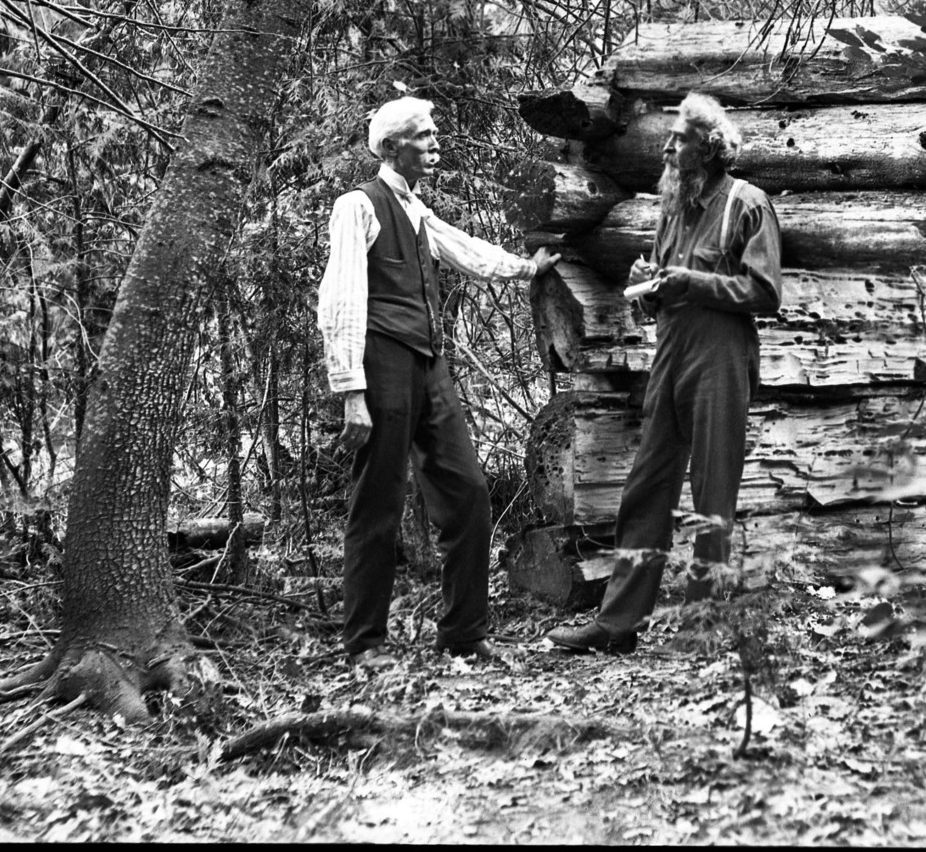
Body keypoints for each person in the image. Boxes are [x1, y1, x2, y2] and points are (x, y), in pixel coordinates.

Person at [317, 96, 557, 667]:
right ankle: (364, 643)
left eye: (433, 133)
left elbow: (465, 251)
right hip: (380, 363)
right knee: (377, 502)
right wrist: (351, 389)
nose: (434, 143)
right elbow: (341, 297)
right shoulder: (359, 205)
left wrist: (528, 268)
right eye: (424, 136)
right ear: (393, 146)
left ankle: (464, 633)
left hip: (428, 363)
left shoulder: (416, 210)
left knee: (468, 491)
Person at [546, 91, 783, 654]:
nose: (669, 149)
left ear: (709, 148)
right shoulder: (673, 209)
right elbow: (659, 296)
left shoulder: (746, 204)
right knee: (645, 488)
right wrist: (647, 286)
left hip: (721, 359)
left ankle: (703, 626)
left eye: (679, 140)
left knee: (712, 494)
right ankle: (617, 623)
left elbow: (766, 292)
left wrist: (691, 284)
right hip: (671, 356)